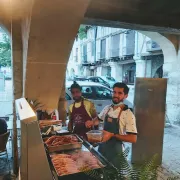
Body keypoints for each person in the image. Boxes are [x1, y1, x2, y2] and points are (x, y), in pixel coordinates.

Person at [98, 82, 137, 168]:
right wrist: (90, 122)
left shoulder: (128, 113)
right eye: (114, 92)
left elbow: (133, 138)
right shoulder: (107, 108)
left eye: (120, 93)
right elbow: (97, 120)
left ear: (125, 96)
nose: (116, 95)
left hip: (116, 152)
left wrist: (112, 135)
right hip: (102, 148)